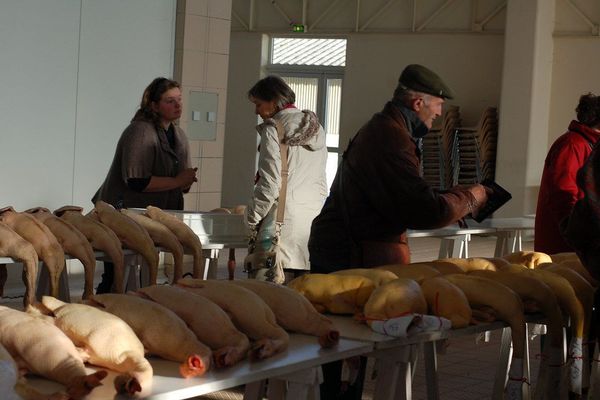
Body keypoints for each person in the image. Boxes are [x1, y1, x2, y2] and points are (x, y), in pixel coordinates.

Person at [308, 64, 490, 399]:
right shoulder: (390, 137)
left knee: (346, 348)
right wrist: (471, 198)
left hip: (350, 249)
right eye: (437, 108)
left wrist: (448, 200)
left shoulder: (389, 130)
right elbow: (422, 210)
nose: (438, 116)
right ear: (418, 103)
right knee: (341, 345)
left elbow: (404, 196)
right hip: (348, 253)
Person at [92, 77, 197, 293]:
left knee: (140, 271)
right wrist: (178, 181)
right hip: (121, 212)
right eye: (170, 101)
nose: (178, 105)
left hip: (151, 214)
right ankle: (103, 308)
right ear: (154, 105)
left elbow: (182, 181)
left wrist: (184, 181)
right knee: (117, 273)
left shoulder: (179, 135)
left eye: (179, 100)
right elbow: (136, 180)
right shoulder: (140, 131)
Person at [245, 75, 328, 282]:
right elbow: (320, 181)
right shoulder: (317, 129)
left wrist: (252, 219)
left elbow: (270, 183)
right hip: (312, 223)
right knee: (303, 295)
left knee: (273, 301)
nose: (256, 111)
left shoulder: (273, 129)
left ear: (273, 101)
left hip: (281, 225)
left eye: (258, 104)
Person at [535, 93, 600, 255]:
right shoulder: (572, 144)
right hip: (564, 248)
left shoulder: (588, 144)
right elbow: (562, 193)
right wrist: (572, 233)